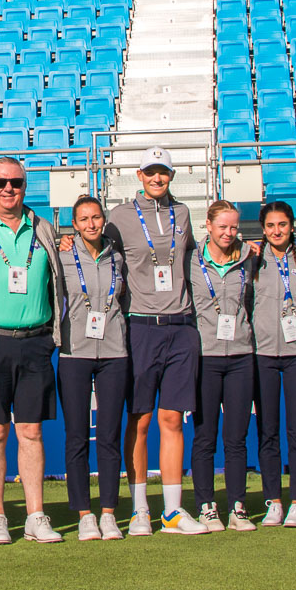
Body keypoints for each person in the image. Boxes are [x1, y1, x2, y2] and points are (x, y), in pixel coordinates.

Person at [105, 146, 206, 536]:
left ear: (171, 176)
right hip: (141, 325)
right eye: (150, 172)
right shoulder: (120, 217)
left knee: (172, 419)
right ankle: (140, 508)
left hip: (181, 326)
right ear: (139, 174)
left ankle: (173, 511)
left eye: (163, 172)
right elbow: (97, 253)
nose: (157, 178)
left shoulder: (182, 214)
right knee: (141, 419)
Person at [0, 157, 67, 545]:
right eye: (0, 182)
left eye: (15, 182)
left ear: (25, 186)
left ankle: (35, 514)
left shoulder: (45, 228)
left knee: (30, 431)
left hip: (36, 342)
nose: (8, 189)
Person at [57, 195, 131, 541]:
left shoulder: (118, 256)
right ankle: (84, 513)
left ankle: (109, 512)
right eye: (84, 219)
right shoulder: (62, 256)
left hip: (115, 352)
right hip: (75, 352)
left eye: (96, 218)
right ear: (75, 224)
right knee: (76, 436)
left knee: (110, 435)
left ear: (104, 221)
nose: (91, 224)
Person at [246, 201, 296, 528]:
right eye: (271, 226)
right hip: (262, 354)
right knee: (267, 430)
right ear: (263, 228)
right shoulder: (252, 262)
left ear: (292, 227)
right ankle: (273, 499)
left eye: (283, 225)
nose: (277, 231)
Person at [188, 201, 256, 532]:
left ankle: (238, 506)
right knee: (205, 436)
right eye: (222, 227)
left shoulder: (250, 258)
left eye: (233, 227)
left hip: (242, 355)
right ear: (209, 226)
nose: (228, 233)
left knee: (237, 437)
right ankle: (205, 505)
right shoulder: (191, 261)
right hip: (205, 356)